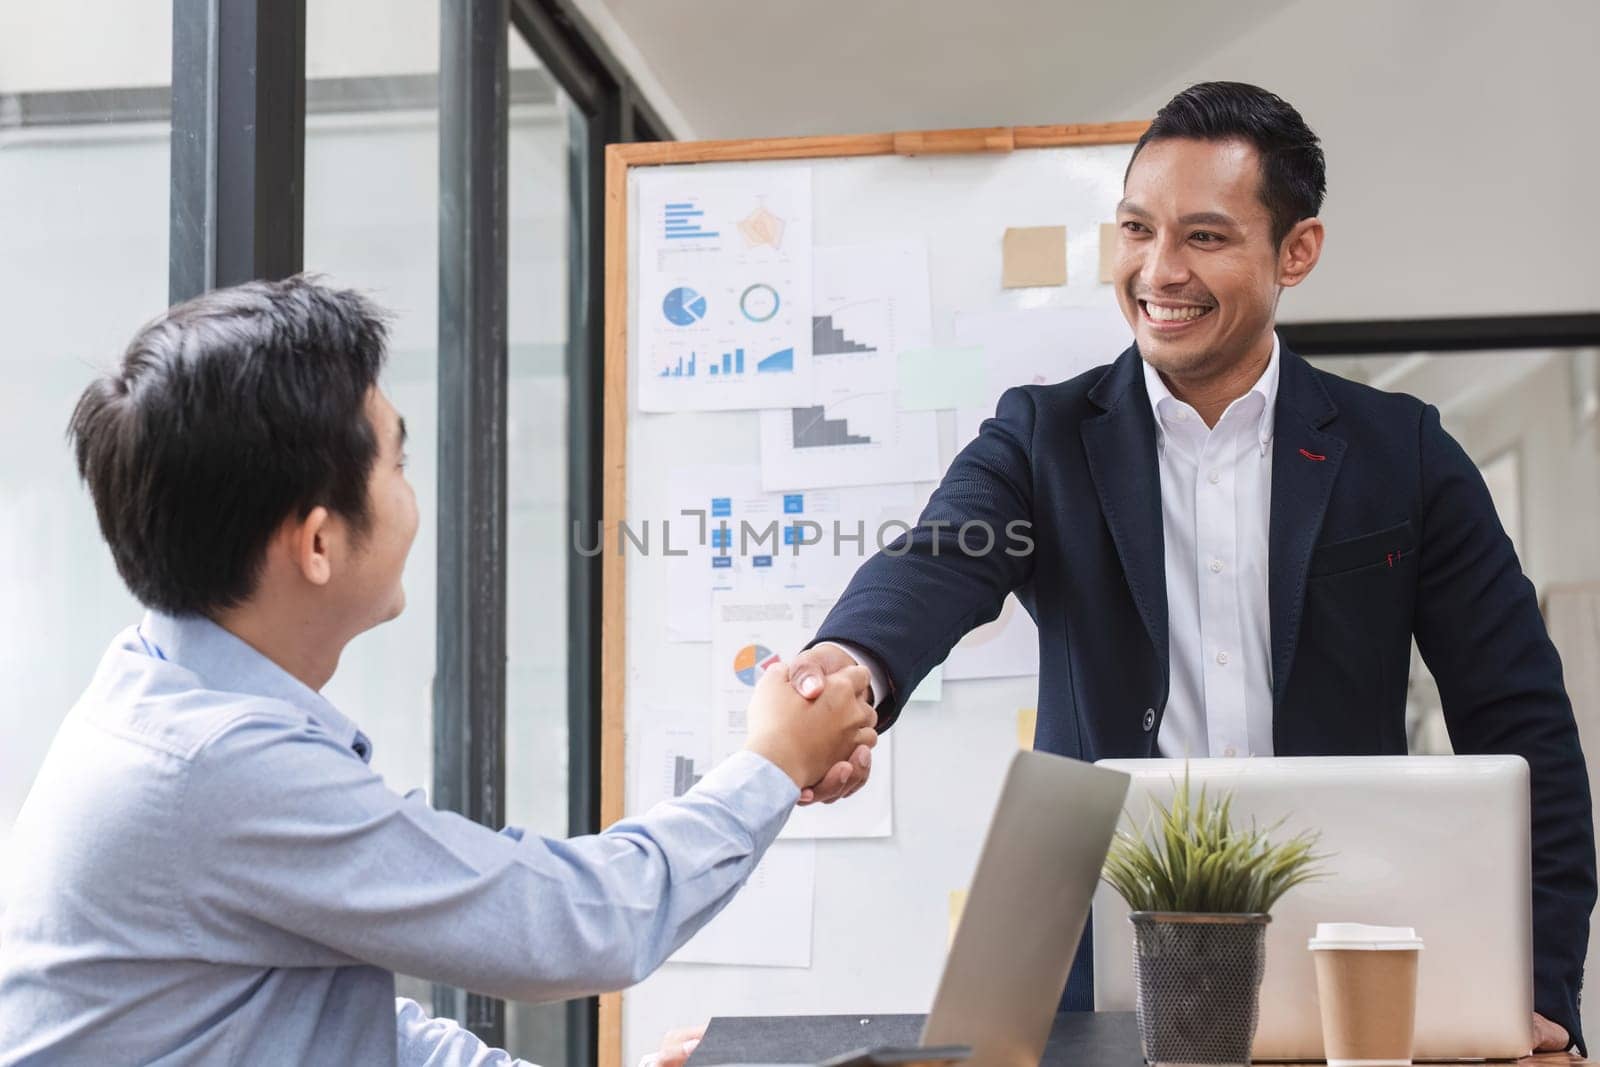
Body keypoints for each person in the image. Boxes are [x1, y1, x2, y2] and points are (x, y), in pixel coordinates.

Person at [786, 81, 1595, 1054]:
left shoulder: (1405, 454)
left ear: (1296, 250)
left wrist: (1539, 976)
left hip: (1337, 930)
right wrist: (848, 667)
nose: (1156, 270)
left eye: (1204, 237)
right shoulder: (1043, 438)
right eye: (1135, 229)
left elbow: (1523, 729)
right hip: (1085, 943)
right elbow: (938, 559)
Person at [0, 277, 877, 1065]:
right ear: (316, 542)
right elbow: (575, 925)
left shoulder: (163, 689)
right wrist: (774, 762)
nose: (412, 497)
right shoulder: (216, 763)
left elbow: (341, 1029)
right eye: (398, 464)